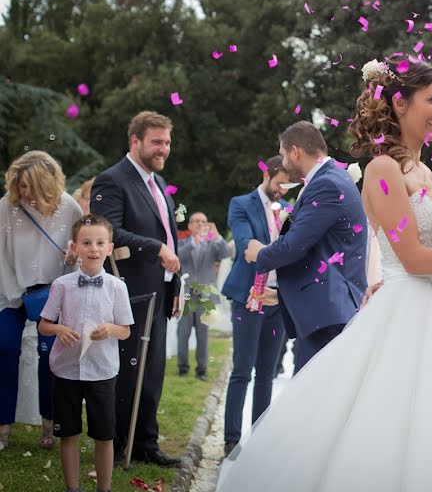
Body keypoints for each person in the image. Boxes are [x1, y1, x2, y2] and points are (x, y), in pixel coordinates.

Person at [216, 57, 432, 491]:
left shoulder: (424, 173)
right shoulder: (383, 169)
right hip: (406, 313)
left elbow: (430, 248)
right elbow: (413, 259)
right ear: (399, 104)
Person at [90, 110, 181, 466]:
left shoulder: (159, 185)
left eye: (167, 142)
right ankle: (113, 444)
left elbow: (171, 237)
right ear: (135, 141)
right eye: (157, 142)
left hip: (158, 294)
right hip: (127, 294)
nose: (164, 149)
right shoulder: (112, 180)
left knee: (152, 373)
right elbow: (107, 231)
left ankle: (145, 443)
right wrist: (155, 247)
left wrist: (176, 287)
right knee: (126, 374)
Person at [242, 123, 367, 371]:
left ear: (295, 152)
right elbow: (321, 251)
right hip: (327, 310)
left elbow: (294, 246)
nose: (284, 161)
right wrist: (280, 295)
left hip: (328, 316)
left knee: (318, 403)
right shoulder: (331, 178)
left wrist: (260, 253)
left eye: (284, 153)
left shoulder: (326, 184)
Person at [38, 214, 133, 492]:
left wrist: (110, 329)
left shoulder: (118, 287)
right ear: (75, 247)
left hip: (102, 370)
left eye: (99, 242)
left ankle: (104, 489)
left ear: (109, 247)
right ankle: (73, 488)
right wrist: (59, 330)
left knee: (104, 435)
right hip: (65, 369)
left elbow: (126, 330)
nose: (93, 248)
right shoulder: (62, 285)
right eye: (87, 242)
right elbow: (44, 325)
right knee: (68, 433)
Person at [0, 150, 82, 451]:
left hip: (53, 293)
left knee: (51, 359)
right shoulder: (7, 208)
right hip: (11, 292)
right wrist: (14, 295)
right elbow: (0, 257)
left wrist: (73, 258)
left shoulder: (69, 208)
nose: (26, 193)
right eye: (21, 186)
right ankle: (3, 425)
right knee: (4, 349)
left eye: (32, 187)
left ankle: (50, 424)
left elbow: (78, 254)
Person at [220, 156, 291, 456]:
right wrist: (282, 251)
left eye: (289, 185)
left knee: (266, 374)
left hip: (277, 298)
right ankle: (231, 440)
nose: (283, 191)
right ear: (267, 174)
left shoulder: (288, 210)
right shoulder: (241, 204)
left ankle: (258, 441)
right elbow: (245, 244)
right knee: (242, 370)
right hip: (248, 296)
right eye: (280, 183)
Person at [176, 212, 231, 381]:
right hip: (186, 296)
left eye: (203, 221)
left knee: (203, 335)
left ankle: (202, 370)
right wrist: (194, 242)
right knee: (182, 333)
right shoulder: (182, 243)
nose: (200, 224)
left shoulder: (213, 244)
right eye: (197, 221)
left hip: (205, 298)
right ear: (190, 225)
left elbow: (225, 253)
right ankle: (183, 367)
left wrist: (217, 236)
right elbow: (177, 256)